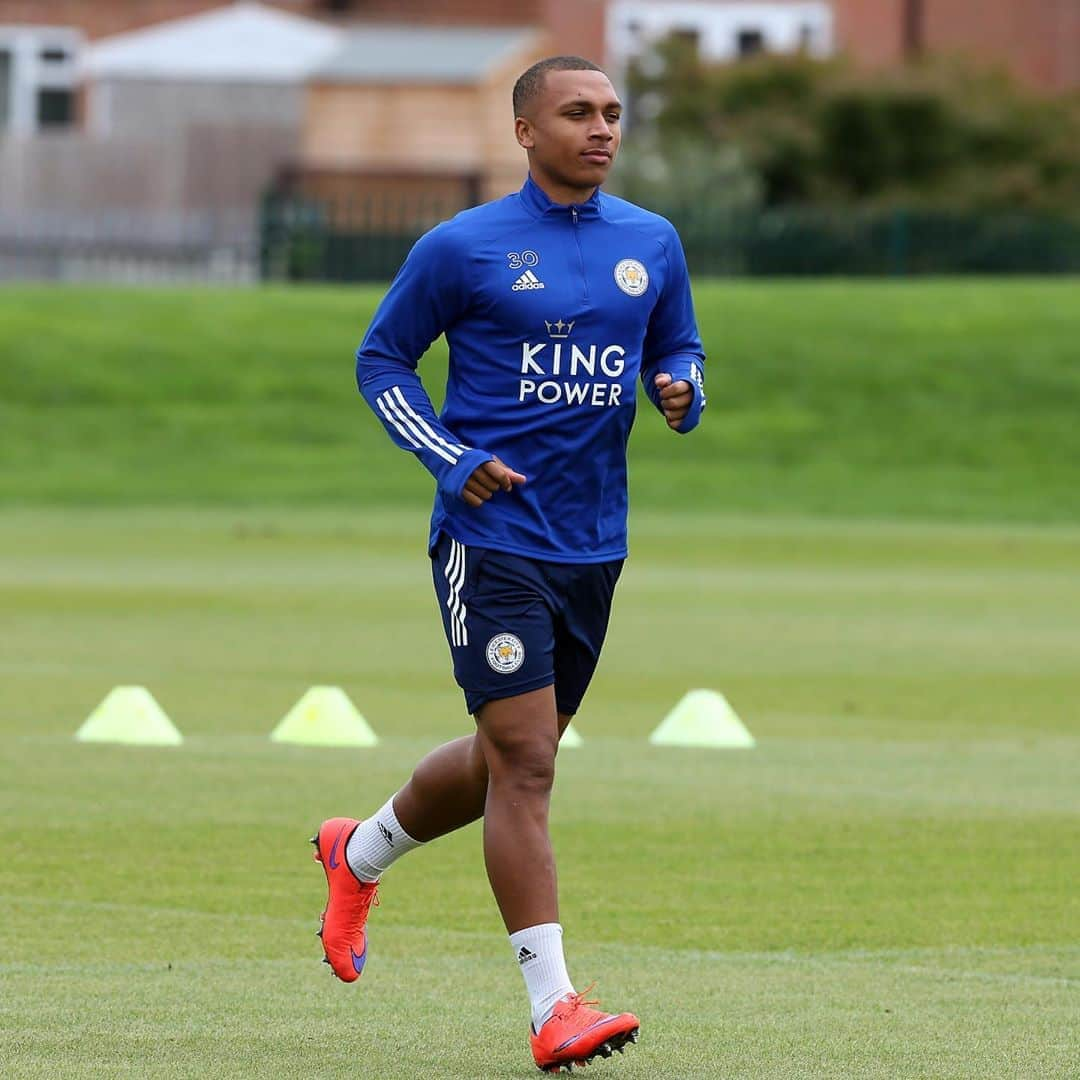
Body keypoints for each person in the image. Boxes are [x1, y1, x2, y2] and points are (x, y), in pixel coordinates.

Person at [311, 55, 706, 1074]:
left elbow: (681, 349)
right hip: (491, 541)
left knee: (500, 760)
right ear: (527, 131)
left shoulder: (651, 243)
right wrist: (450, 458)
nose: (602, 128)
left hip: (596, 543)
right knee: (530, 760)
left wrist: (680, 389)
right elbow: (380, 360)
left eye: (614, 113)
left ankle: (357, 853)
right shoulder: (463, 246)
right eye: (579, 112)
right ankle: (554, 1007)